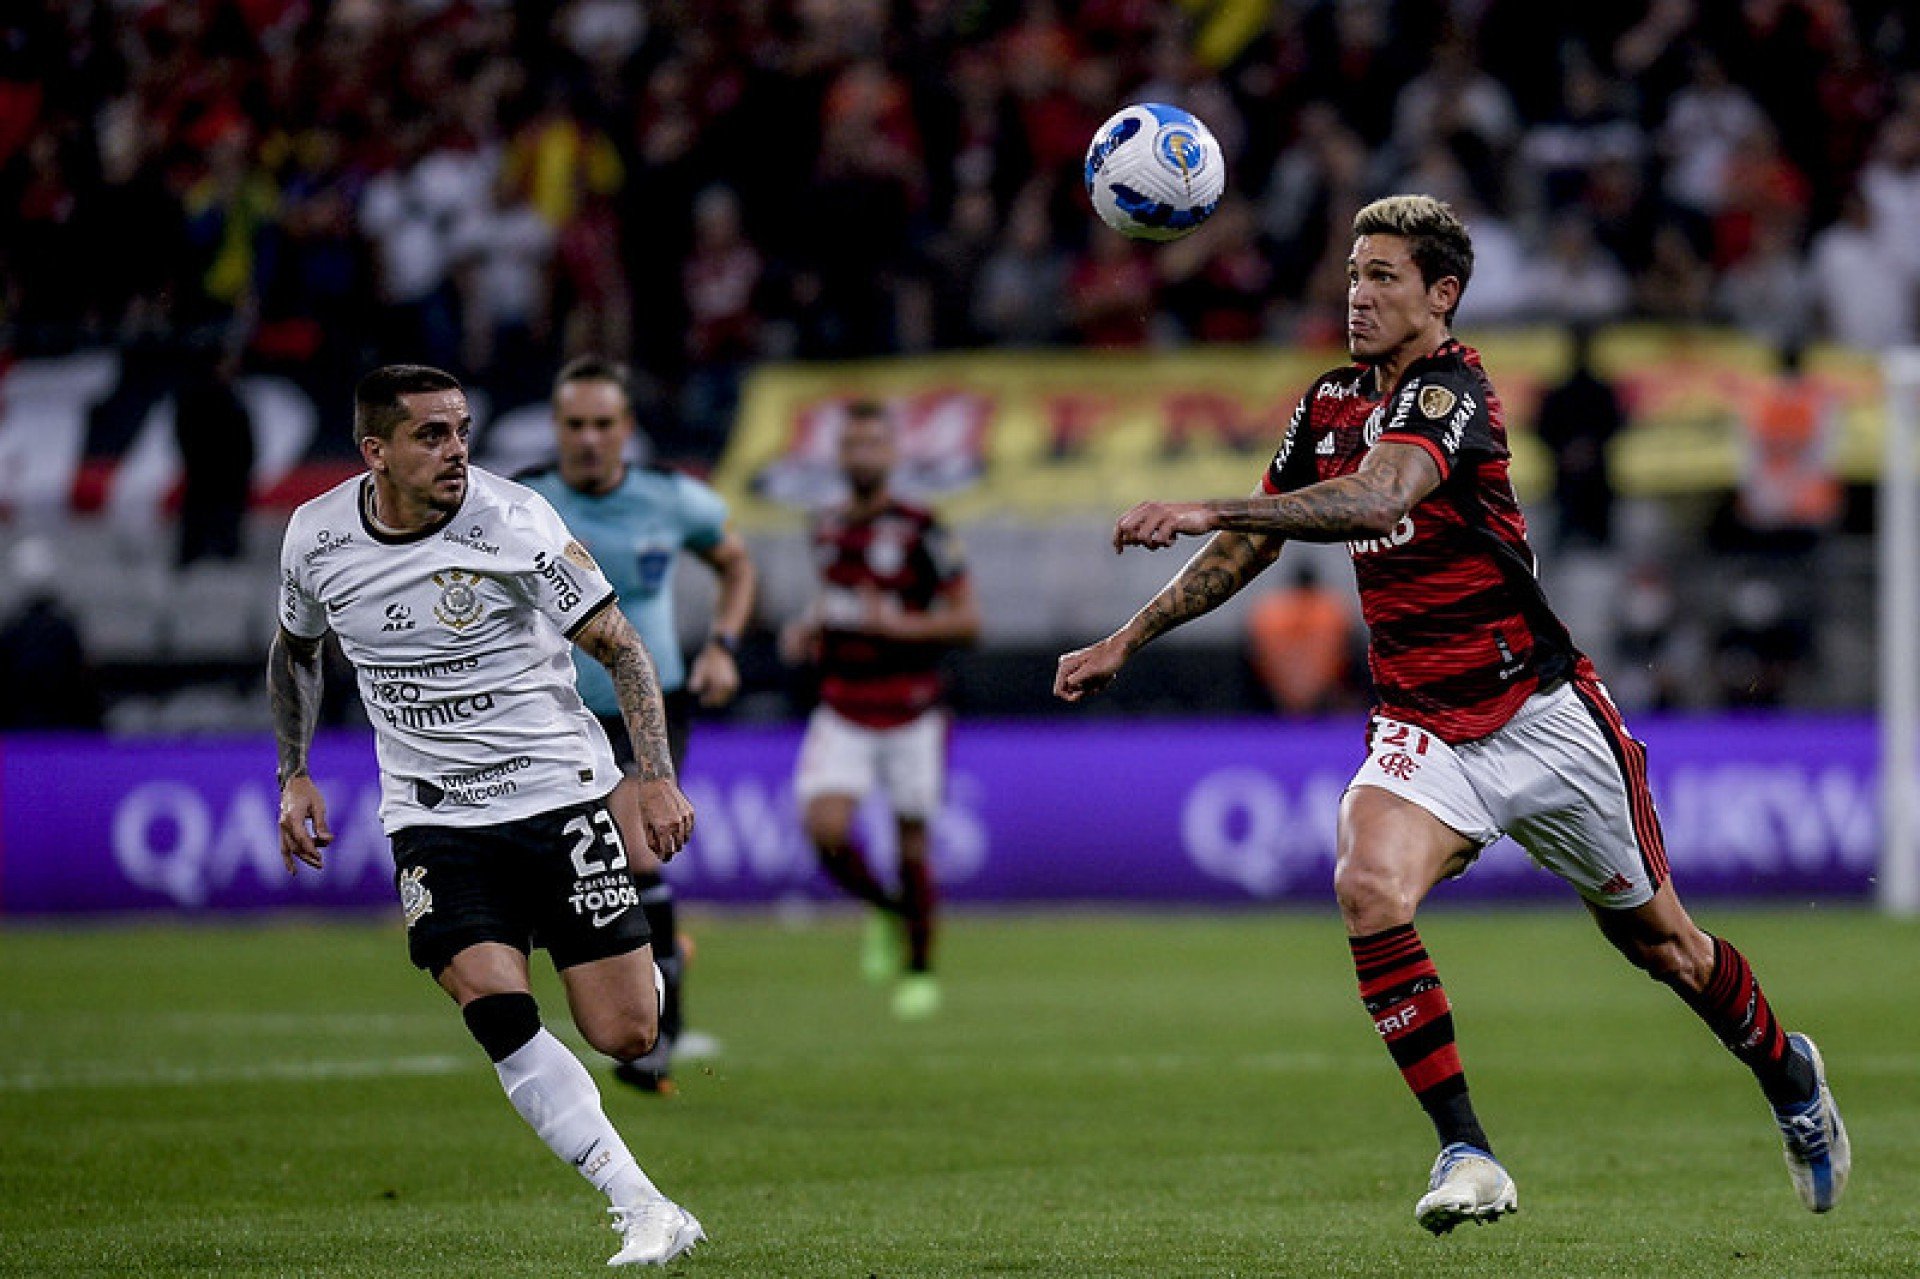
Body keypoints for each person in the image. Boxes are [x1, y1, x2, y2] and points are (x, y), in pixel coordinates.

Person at [1054, 195, 1848, 1233]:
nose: (1359, 294)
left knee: (1668, 949)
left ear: (1443, 295)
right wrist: (1131, 635)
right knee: (1368, 885)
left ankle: (1788, 1073)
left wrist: (1205, 502)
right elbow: (1260, 542)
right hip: (1423, 724)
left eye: (1384, 275)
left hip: (1540, 713)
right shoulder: (1330, 400)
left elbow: (1376, 503)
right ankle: (1467, 1150)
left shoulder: (1452, 391)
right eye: (1352, 272)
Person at [270, 365, 705, 1266]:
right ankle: (642, 1203)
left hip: (556, 794)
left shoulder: (512, 521)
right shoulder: (314, 537)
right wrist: (295, 770)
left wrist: (651, 777)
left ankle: (654, 954)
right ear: (375, 451)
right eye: (432, 435)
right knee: (493, 1005)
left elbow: (621, 646)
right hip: (433, 819)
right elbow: (297, 649)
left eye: (463, 430)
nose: (456, 450)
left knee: (628, 1032)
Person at [520, 355, 758, 1095]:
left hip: (645, 707)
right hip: (547, 714)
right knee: (568, 878)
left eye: (603, 423)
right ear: (557, 428)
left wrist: (722, 643)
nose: (589, 439)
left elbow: (737, 565)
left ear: (627, 428)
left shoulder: (671, 497)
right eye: (574, 424)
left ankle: (659, 1027)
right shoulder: (522, 502)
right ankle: (663, 963)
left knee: (634, 853)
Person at [779, 400, 980, 1020]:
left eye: (873, 444)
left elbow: (968, 622)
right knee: (826, 831)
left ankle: (920, 969)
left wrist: (895, 625)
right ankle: (889, 912)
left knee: (912, 844)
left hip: (912, 709)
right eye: (852, 444)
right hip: (843, 704)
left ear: (891, 454)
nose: (862, 455)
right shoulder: (827, 526)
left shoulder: (923, 528)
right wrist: (808, 627)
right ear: (839, 456)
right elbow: (835, 603)